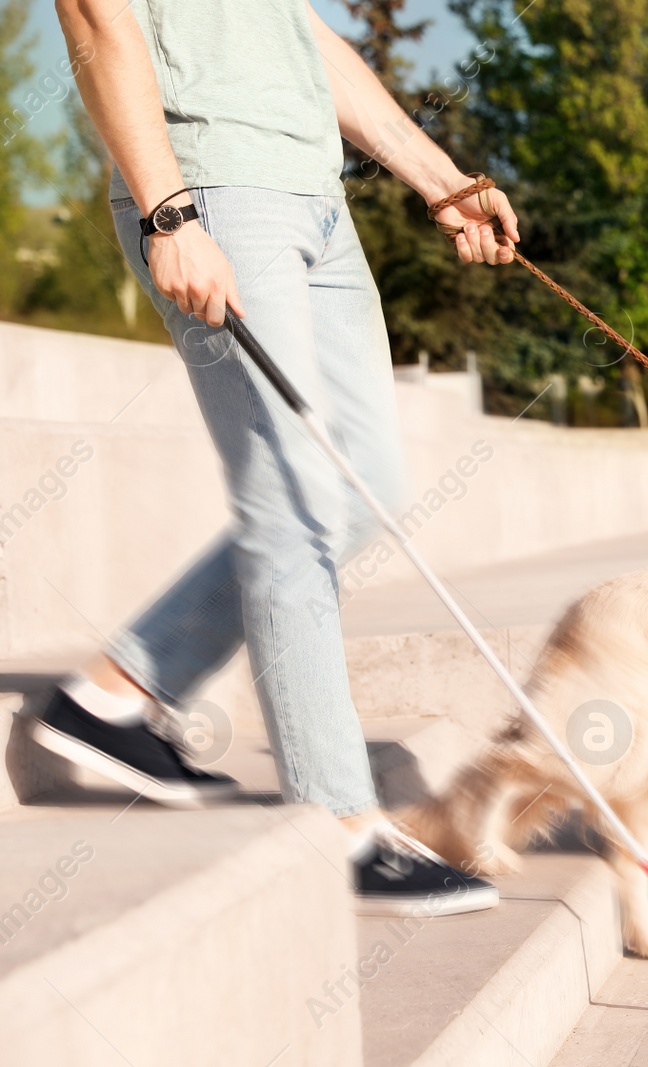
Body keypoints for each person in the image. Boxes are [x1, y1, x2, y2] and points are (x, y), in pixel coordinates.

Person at [33, 0, 519, 917]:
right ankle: (334, 827)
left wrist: (440, 178)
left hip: (316, 200)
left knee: (362, 482)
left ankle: (119, 688)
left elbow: (299, 36)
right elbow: (98, 25)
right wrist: (167, 210)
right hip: (213, 192)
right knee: (291, 505)